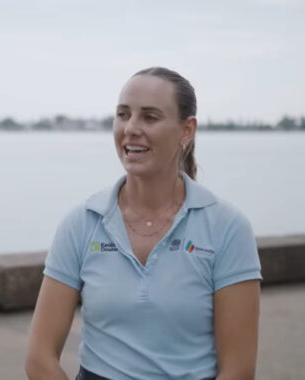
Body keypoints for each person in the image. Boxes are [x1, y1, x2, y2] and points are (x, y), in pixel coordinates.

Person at [25, 67, 262, 380]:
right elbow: (39, 358)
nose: (131, 128)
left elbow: (238, 371)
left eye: (150, 117)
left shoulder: (228, 228)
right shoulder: (81, 223)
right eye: (123, 114)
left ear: (186, 131)